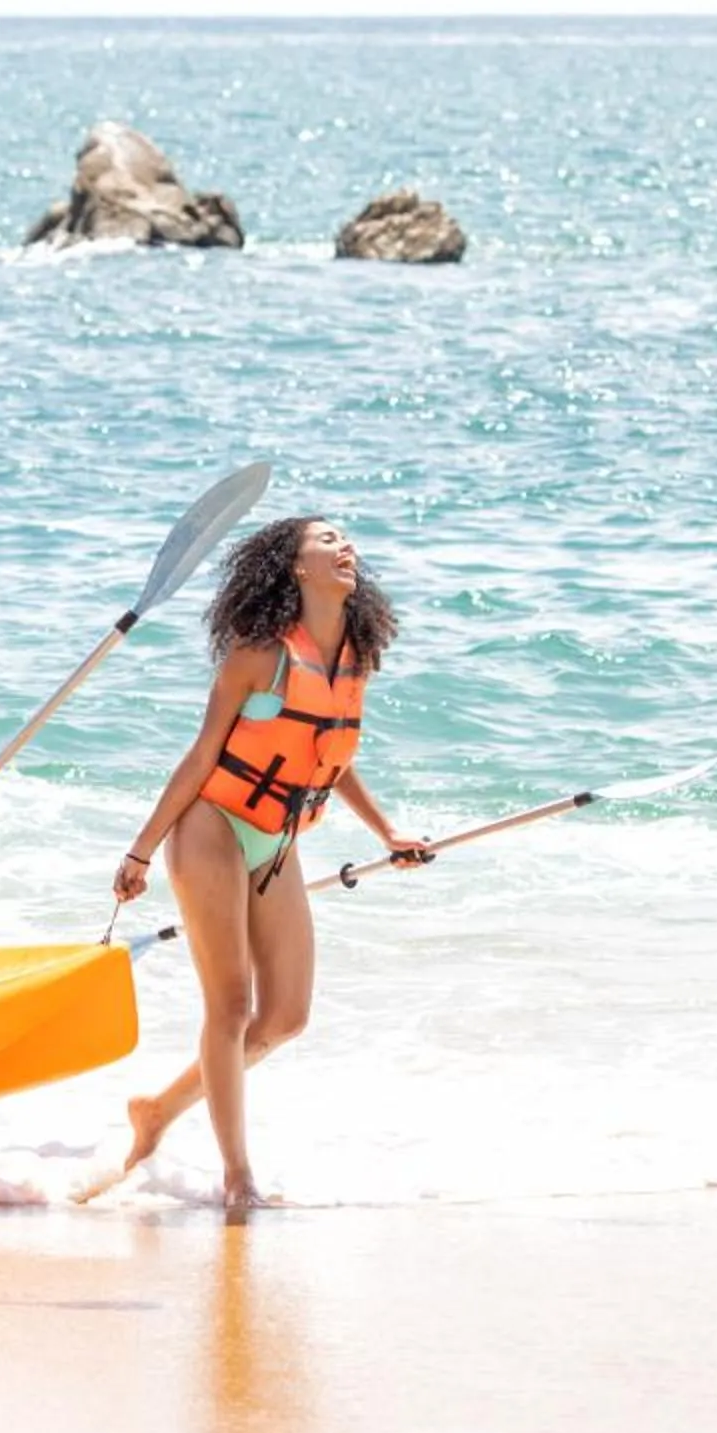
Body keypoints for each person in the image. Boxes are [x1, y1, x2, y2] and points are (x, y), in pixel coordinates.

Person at [106, 516, 427, 1209]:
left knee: (285, 1017)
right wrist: (140, 850)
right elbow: (201, 756)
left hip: (277, 839)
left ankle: (156, 1111)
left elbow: (331, 759)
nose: (345, 547)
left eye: (347, 539)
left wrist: (387, 834)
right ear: (294, 566)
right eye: (328, 540)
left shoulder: (356, 655)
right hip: (210, 827)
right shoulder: (258, 655)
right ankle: (237, 1178)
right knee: (230, 1005)